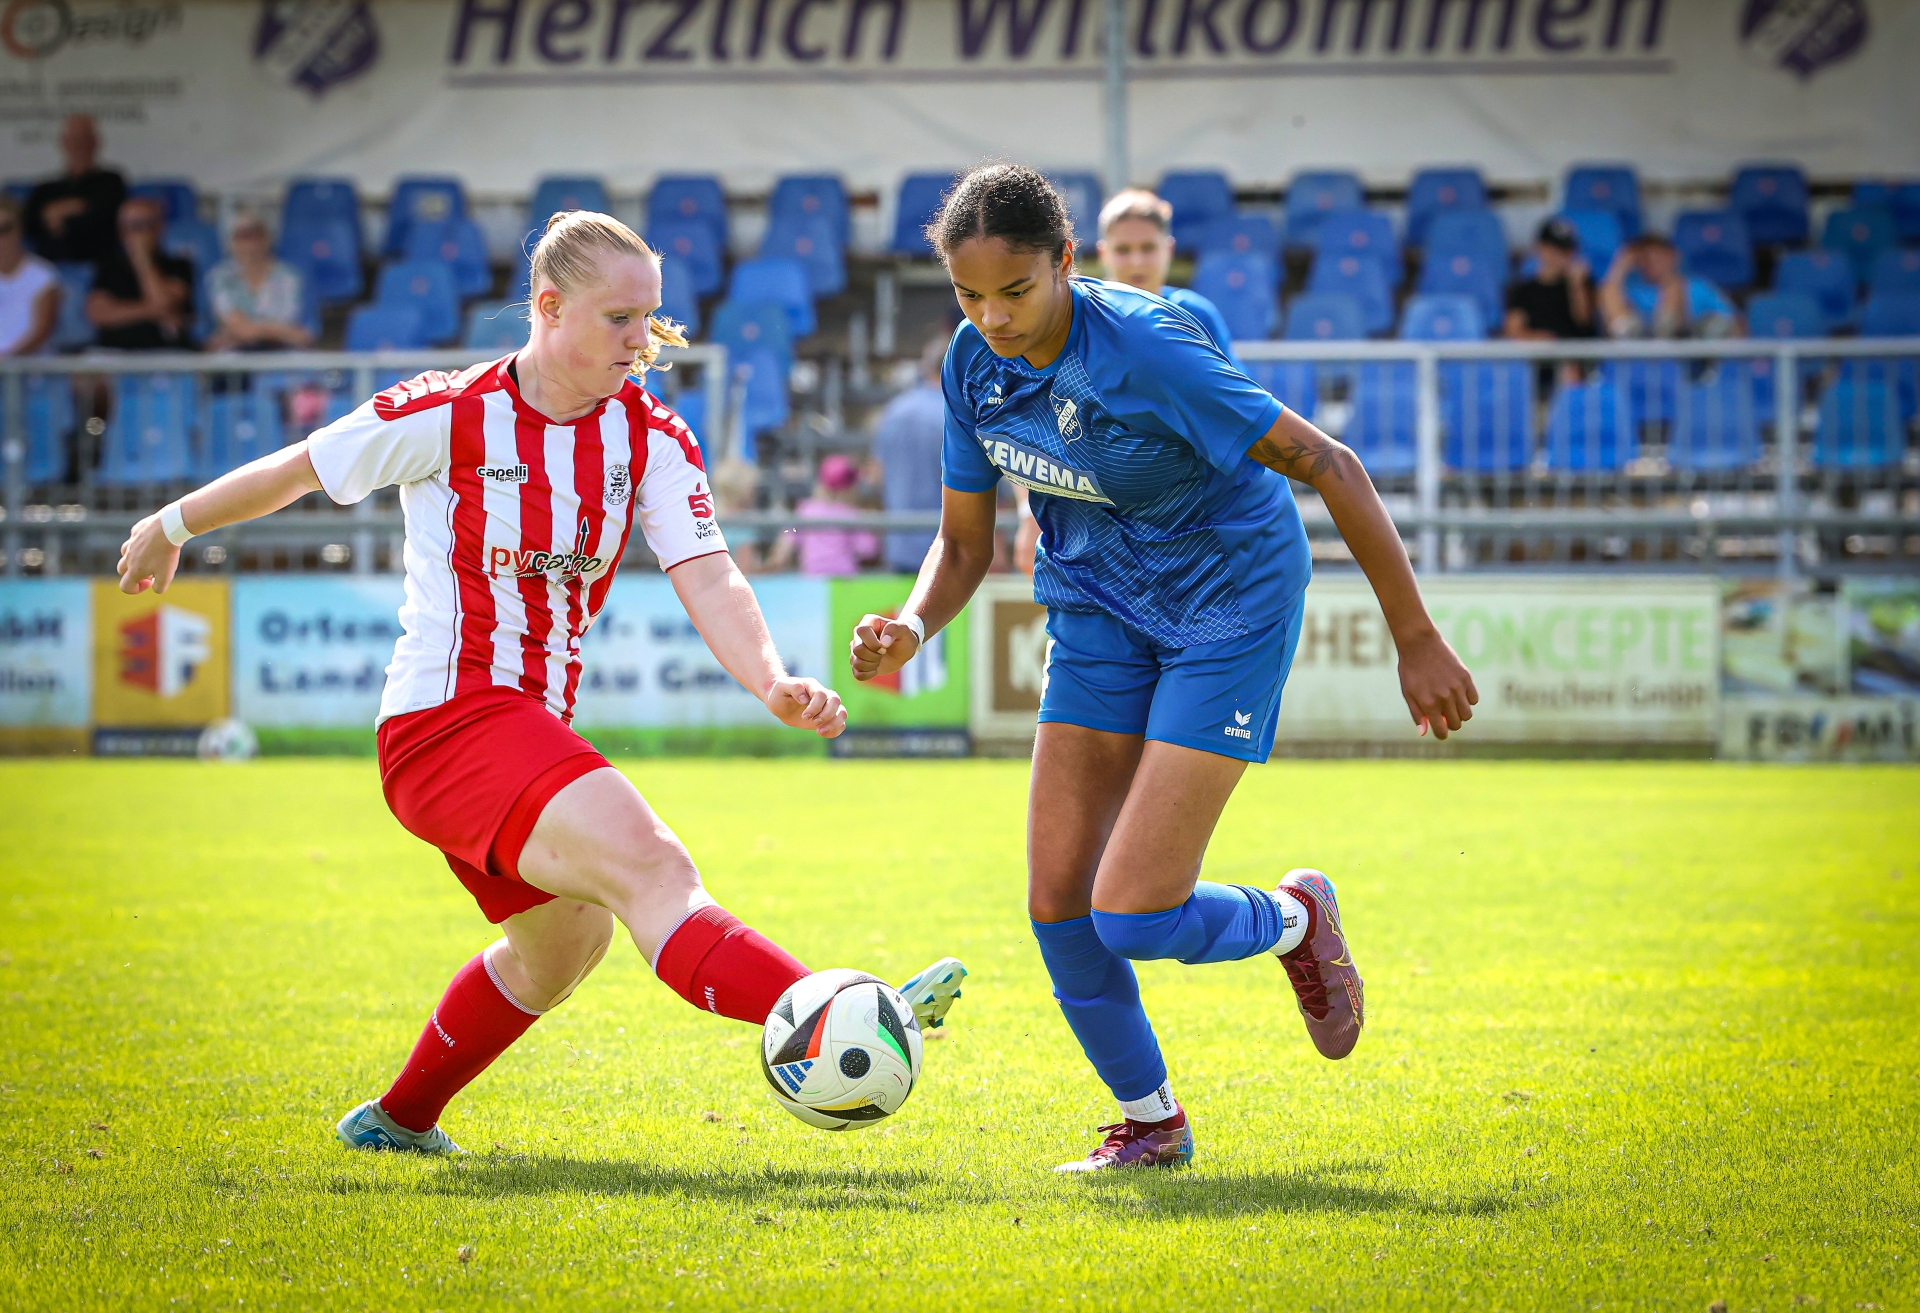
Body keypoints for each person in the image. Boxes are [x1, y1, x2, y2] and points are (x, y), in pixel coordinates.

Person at [117, 211, 967, 1155]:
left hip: (523, 728)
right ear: (550, 308)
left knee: (562, 948)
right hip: (445, 722)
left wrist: (771, 681)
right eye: (619, 318)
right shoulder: (451, 409)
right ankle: (839, 1014)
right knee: (654, 870)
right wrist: (172, 524)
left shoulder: (650, 434)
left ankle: (398, 1120)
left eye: (650, 316)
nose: (641, 339)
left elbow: (709, 572)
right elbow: (298, 470)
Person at [848, 165, 1475, 1173]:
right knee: (1058, 902)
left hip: (1227, 602)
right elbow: (962, 544)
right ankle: (1151, 1123)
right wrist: (913, 625)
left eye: (1015, 291)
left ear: (1066, 261)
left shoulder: (1147, 347)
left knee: (1134, 911)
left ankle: (1294, 918)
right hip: (1097, 606)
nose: (992, 318)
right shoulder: (972, 365)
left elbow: (1330, 463)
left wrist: (1415, 635)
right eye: (969, 295)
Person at [1094, 188, 1235, 356]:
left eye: (1148, 248)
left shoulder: (1196, 316)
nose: (1136, 261)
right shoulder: (1083, 321)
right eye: (1123, 250)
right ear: (1103, 254)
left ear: (1169, 249)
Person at [871, 337, 948, 573]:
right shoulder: (957, 415)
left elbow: (876, 475)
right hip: (949, 551)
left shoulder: (893, 410)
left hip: (899, 544)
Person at [86, 197, 195, 350]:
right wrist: (154, 310)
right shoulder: (108, 266)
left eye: (142, 225)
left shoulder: (179, 265)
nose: (136, 234)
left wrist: (142, 260)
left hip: (164, 350)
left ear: (159, 228)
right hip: (113, 351)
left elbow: (164, 302)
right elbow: (98, 314)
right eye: (130, 226)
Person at [24, 114, 127, 265]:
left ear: (95, 142)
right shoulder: (45, 189)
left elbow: (105, 220)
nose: (79, 145)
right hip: (49, 267)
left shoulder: (111, 181)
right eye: (73, 139)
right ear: (63, 143)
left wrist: (55, 214)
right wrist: (78, 208)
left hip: (101, 265)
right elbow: (30, 225)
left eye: (84, 139)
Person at [1599, 233, 1737, 339]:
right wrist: (1621, 266)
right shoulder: (1632, 290)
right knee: (1607, 290)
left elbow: (1733, 321)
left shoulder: (1698, 287)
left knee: (1674, 286)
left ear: (1672, 256)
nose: (1652, 262)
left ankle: (1664, 335)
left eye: (1658, 256)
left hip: (1683, 346)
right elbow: (1610, 294)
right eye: (1645, 257)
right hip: (1636, 345)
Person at [205, 213, 312, 351]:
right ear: (230, 242)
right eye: (241, 238)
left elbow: (301, 332)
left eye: (254, 237)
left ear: (267, 239)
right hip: (234, 352)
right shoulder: (220, 277)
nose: (248, 245)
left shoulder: (290, 276)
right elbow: (238, 327)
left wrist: (247, 331)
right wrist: (280, 331)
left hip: (283, 351)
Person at [1504, 217, 1595, 340]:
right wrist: (1544, 341)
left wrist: (1576, 285)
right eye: (1553, 248)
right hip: (1539, 351)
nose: (1558, 256)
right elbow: (1513, 330)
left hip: (1579, 350)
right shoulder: (1523, 290)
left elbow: (1584, 321)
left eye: (1565, 250)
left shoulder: (1583, 283)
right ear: (1540, 247)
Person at [788, 453, 878, 576]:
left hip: (811, 578)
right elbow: (868, 549)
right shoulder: (852, 514)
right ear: (852, 487)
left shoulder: (806, 510)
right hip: (844, 578)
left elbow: (787, 540)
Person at [0, 198, 60, 357]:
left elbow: (41, 331)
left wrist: (8, 359)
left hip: (30, 364)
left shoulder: (43, 274)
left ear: (19, 229)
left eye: (5, 229)